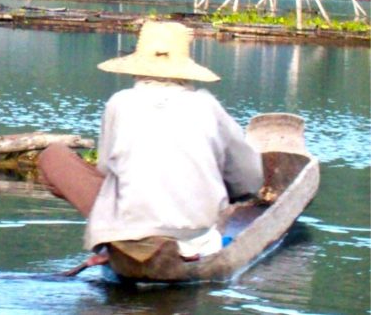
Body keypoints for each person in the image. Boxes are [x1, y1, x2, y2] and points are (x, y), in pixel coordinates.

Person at [38, 20, 264, 264]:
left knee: (53, 155)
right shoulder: (207, 106)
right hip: (195, 238)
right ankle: (131, 234)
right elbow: (250, 180)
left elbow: (106, 171)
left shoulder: (119, 103)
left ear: (137, 66)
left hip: (131, 229)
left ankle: (114, 240)